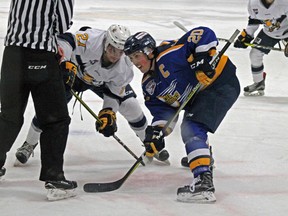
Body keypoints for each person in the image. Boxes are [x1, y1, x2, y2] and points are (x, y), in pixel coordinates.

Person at [14, 24, 169, 165]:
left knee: (130, 105)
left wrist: (108, 113)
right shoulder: (90, 39)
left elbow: (114, 93)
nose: (115, 55)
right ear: (106, 42)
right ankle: (29, 144)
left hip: (102, 82)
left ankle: (150, 144)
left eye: (120, 52)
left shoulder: (125, 67)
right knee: (51, 108)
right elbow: (64, 41)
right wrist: (64, 63)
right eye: (112, 49)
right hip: (74, 74)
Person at [124, 28, 240, 203]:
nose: (135, 62)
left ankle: (203, 183)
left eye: (136, 56)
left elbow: (203, 33)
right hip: (201, 94)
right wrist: (157, 131)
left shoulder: (168, 55)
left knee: (192, 127)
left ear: (148, 52)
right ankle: (202, 157)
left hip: (220, 82)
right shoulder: (149, 84)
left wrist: (202, 59)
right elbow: (164, 111)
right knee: (191, 124)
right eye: (131, 58)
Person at [0, 0, 77, 200]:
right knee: (56, 120)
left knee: (9, 116)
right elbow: (62, 24)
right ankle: (55, 178)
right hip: (41, 56)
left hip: (11, 55)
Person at [234, 0, 288, 96]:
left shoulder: (284, 2)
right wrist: (246, 36)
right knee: (255, 54)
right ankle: (259, 82)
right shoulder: (253, 4)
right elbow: (254, 21)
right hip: (269, 33)